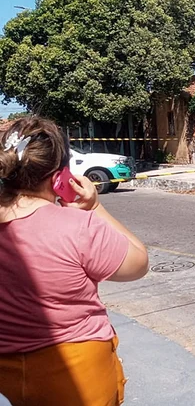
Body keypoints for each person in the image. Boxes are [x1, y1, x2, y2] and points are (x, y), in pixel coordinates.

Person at [0, 116, 149, 406]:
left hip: (10, 373)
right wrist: (94, 207)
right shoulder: (77, 226)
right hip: (79, 372)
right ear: (59, 175)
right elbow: (138, 263)